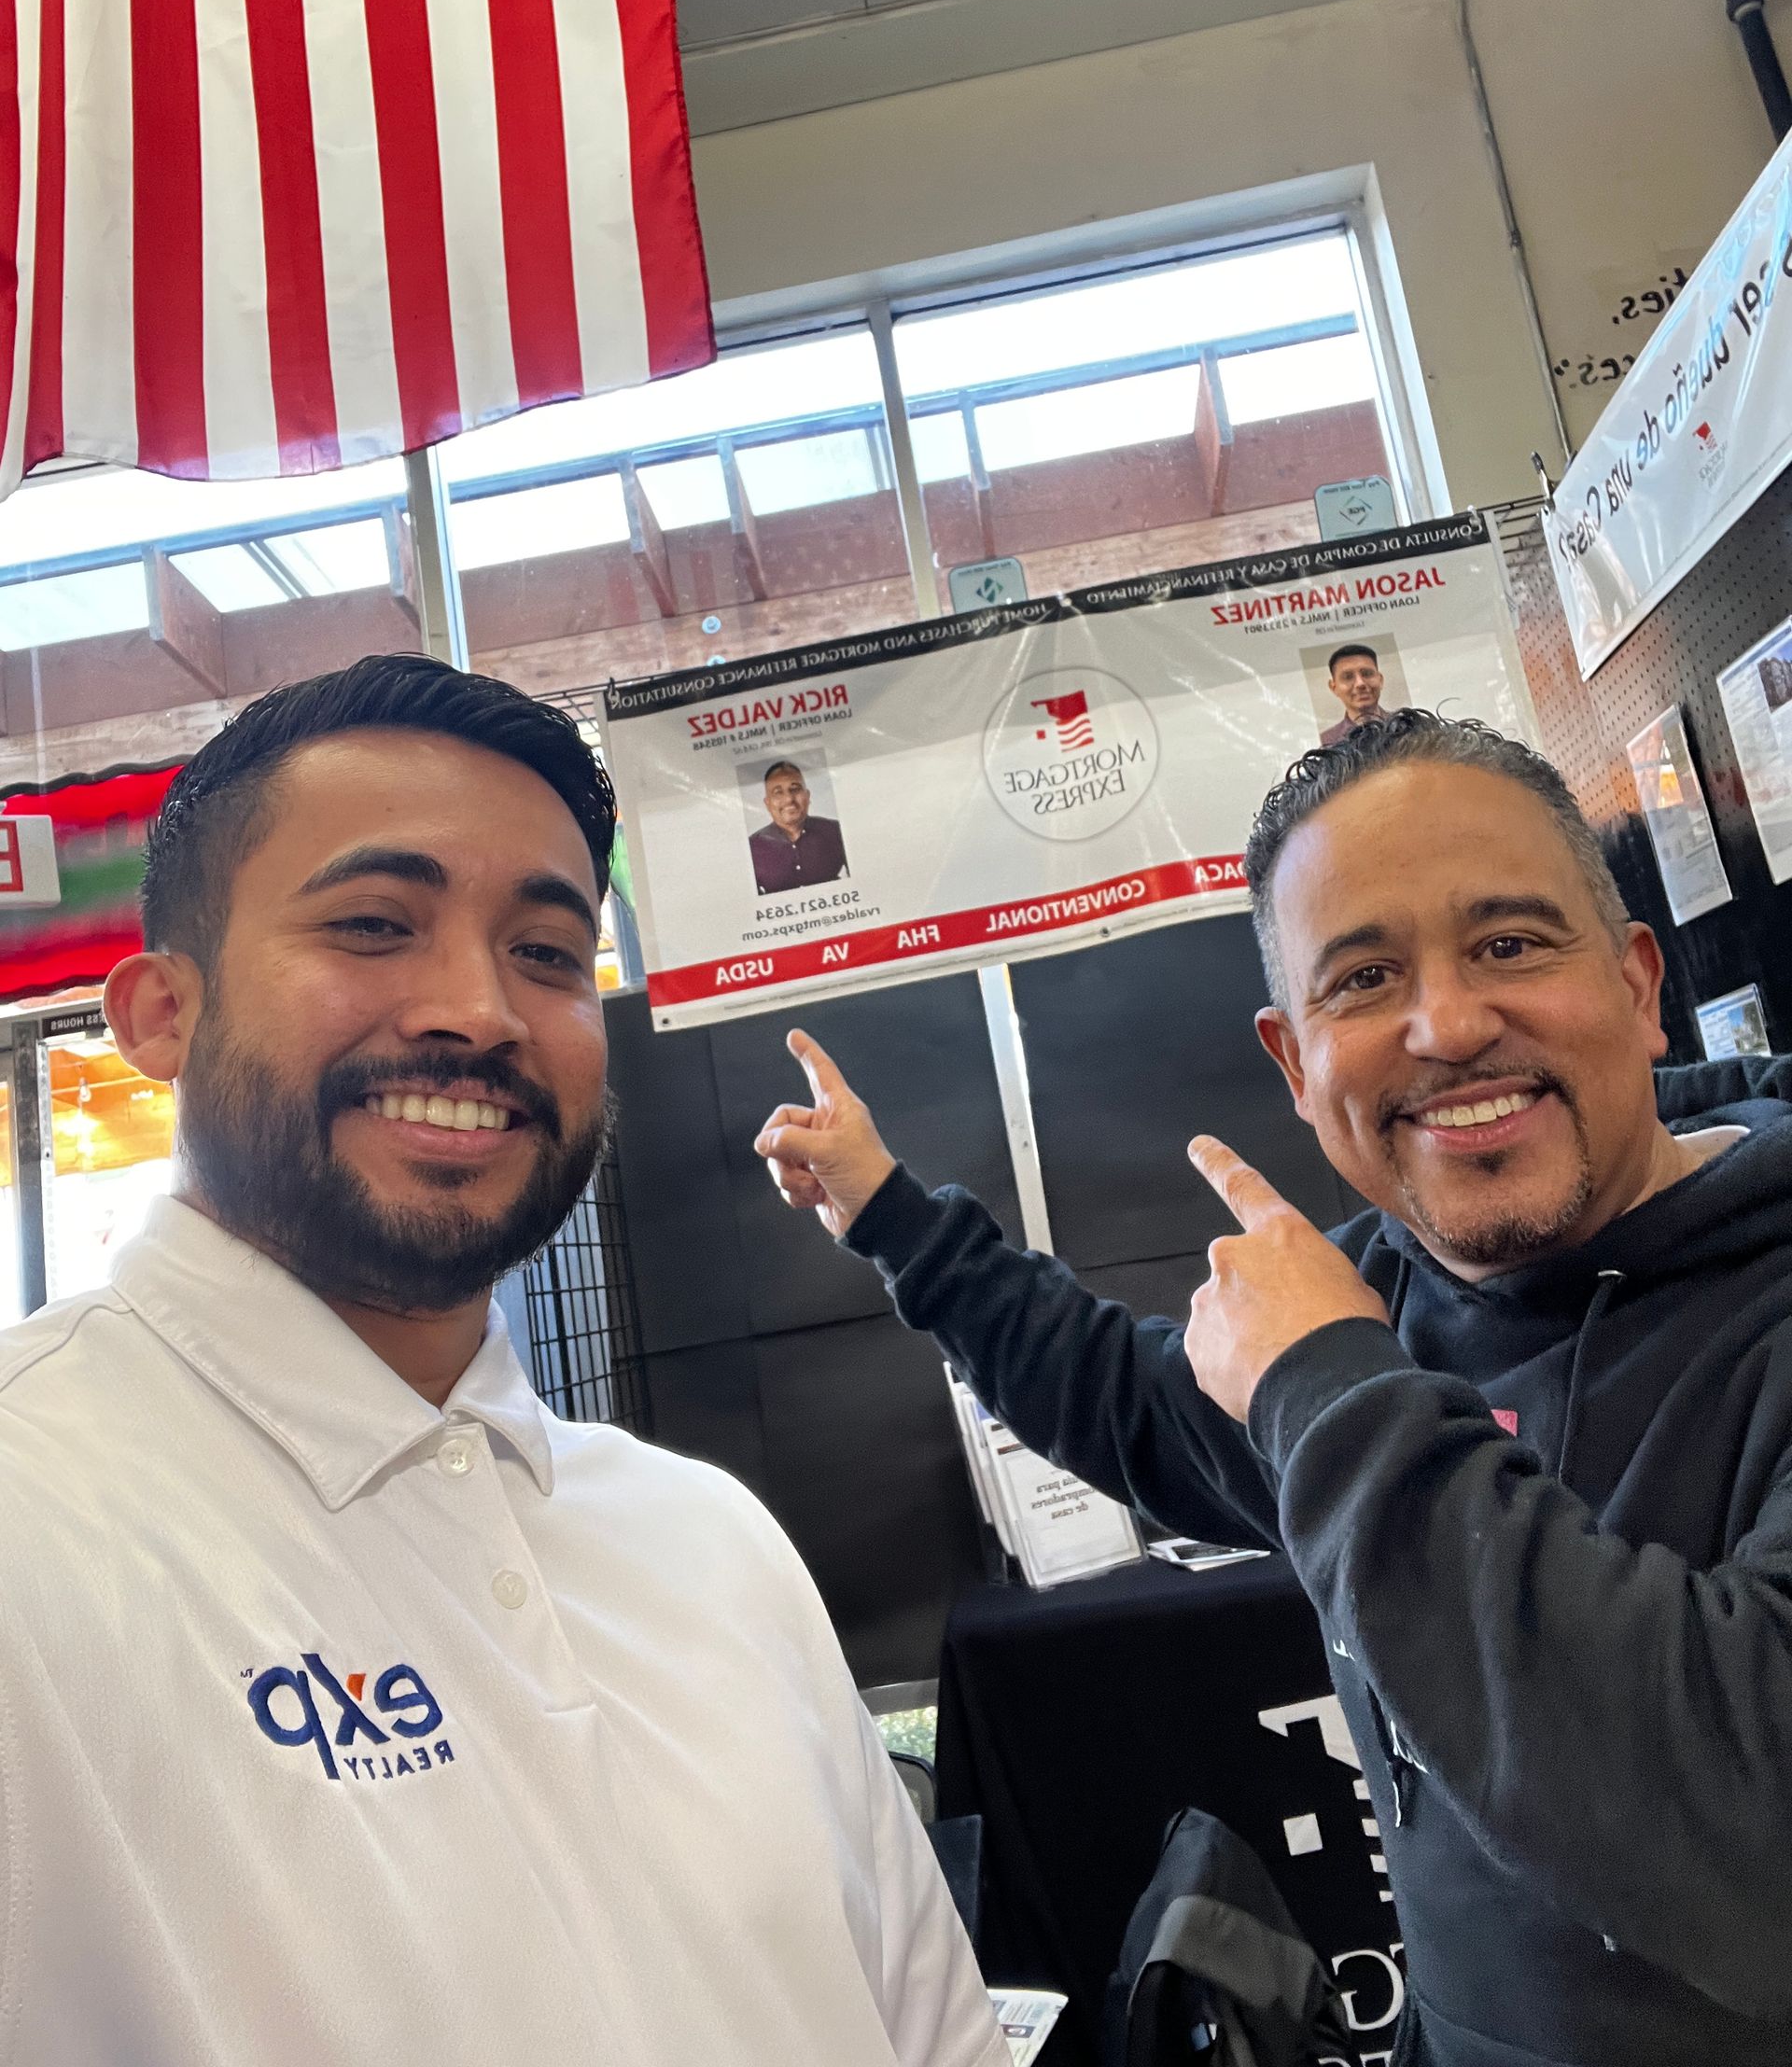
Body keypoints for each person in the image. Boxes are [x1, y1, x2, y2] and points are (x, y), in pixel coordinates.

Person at [0, 655, 1003, 2067]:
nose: (477, 1010)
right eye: (372, 924)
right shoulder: (34, 1532)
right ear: (163, 1013)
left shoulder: (706, 1540)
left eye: (545, 952)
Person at [757, 709, 1792, 2067]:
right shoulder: (1386, 1308)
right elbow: (1121, 1401)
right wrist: (892, 1216)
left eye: (1510, 944)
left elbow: (1751, 1849)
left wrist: (1326, 1385)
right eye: (1362, 980)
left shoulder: (1354, 1361)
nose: (1447, 1023)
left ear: (1640, 983)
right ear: (1295, 1066)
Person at [749, 759, 849, 893]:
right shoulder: (752, 847)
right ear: (767, 803)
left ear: (807, 796)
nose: (789, 799)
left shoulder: (837, 831)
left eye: (795, 789)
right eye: (778, 792)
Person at [1318, 640, 1388, 746]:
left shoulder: (1408, 727)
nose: (1360, 684)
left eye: (1367, 674)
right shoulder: (1327, 742)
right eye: (1348, 677)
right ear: (1334, 687)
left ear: (1380, 680)